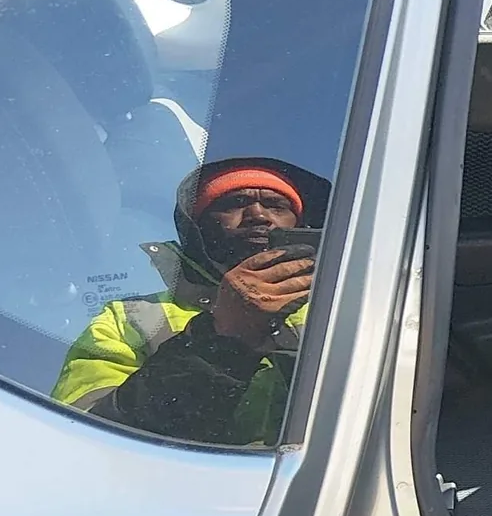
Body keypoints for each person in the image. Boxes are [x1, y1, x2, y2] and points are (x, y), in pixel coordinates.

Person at [53, 158, 324, 445]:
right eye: (234, 203)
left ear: (300, 224)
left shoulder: (343, 305)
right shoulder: (128, 320)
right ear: (198, 226)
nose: (257, 214)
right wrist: (220, 338)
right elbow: (83, 436)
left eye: (276, 206)